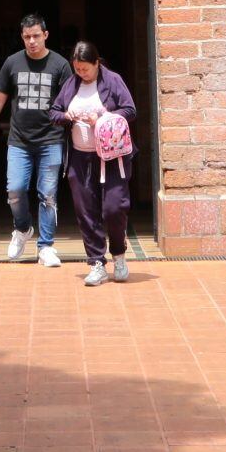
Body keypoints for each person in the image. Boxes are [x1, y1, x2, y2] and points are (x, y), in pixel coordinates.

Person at [0, 14, 73, 268]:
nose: (32, 42)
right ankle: (22, 228)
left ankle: (46, 246)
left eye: (36, 36)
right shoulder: (13, 62)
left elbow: (69, 103)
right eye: (27, 37)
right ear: (22, 37)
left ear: (46, 35)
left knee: (48, 195)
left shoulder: (60, 65)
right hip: (19, 141)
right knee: (15, 191)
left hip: (51, 140)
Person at [51, 41, 139, 286]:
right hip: (80, 158)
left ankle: (119, 255)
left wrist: (102, 118)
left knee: (114, 207)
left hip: (111, 158)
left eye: (85, 69)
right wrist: (65, 116)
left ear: (97, 63)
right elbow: (54, 111)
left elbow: (130, 110)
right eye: (77, 69)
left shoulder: (113, 81)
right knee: (85, 211)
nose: (81, 73)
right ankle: (96, 263)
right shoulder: (71, 84)